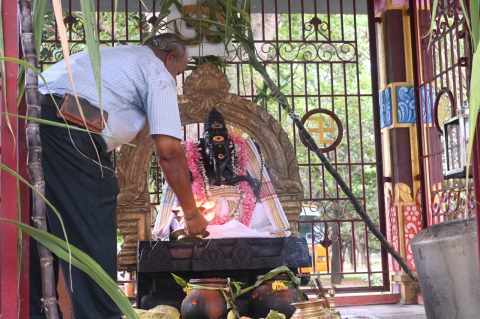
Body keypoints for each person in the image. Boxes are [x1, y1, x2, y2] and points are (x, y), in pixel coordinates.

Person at [30, 33, 208, 319]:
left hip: (29, 127)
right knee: (93, 214)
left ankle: (32, 313)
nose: (175, 78)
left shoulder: (110, 55)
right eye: (179, 72)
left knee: (40, 227)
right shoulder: (155, 71)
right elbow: (170, 153)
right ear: (171, 56)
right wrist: (191, 214)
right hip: (71, 133)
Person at [153, 107, 291, 239]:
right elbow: (173, 184)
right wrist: (161, 228)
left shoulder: (241, 146)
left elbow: (265, 184)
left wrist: (280, 225)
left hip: (240, 210)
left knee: (259, 213)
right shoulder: (189, 150)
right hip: (203, 211)